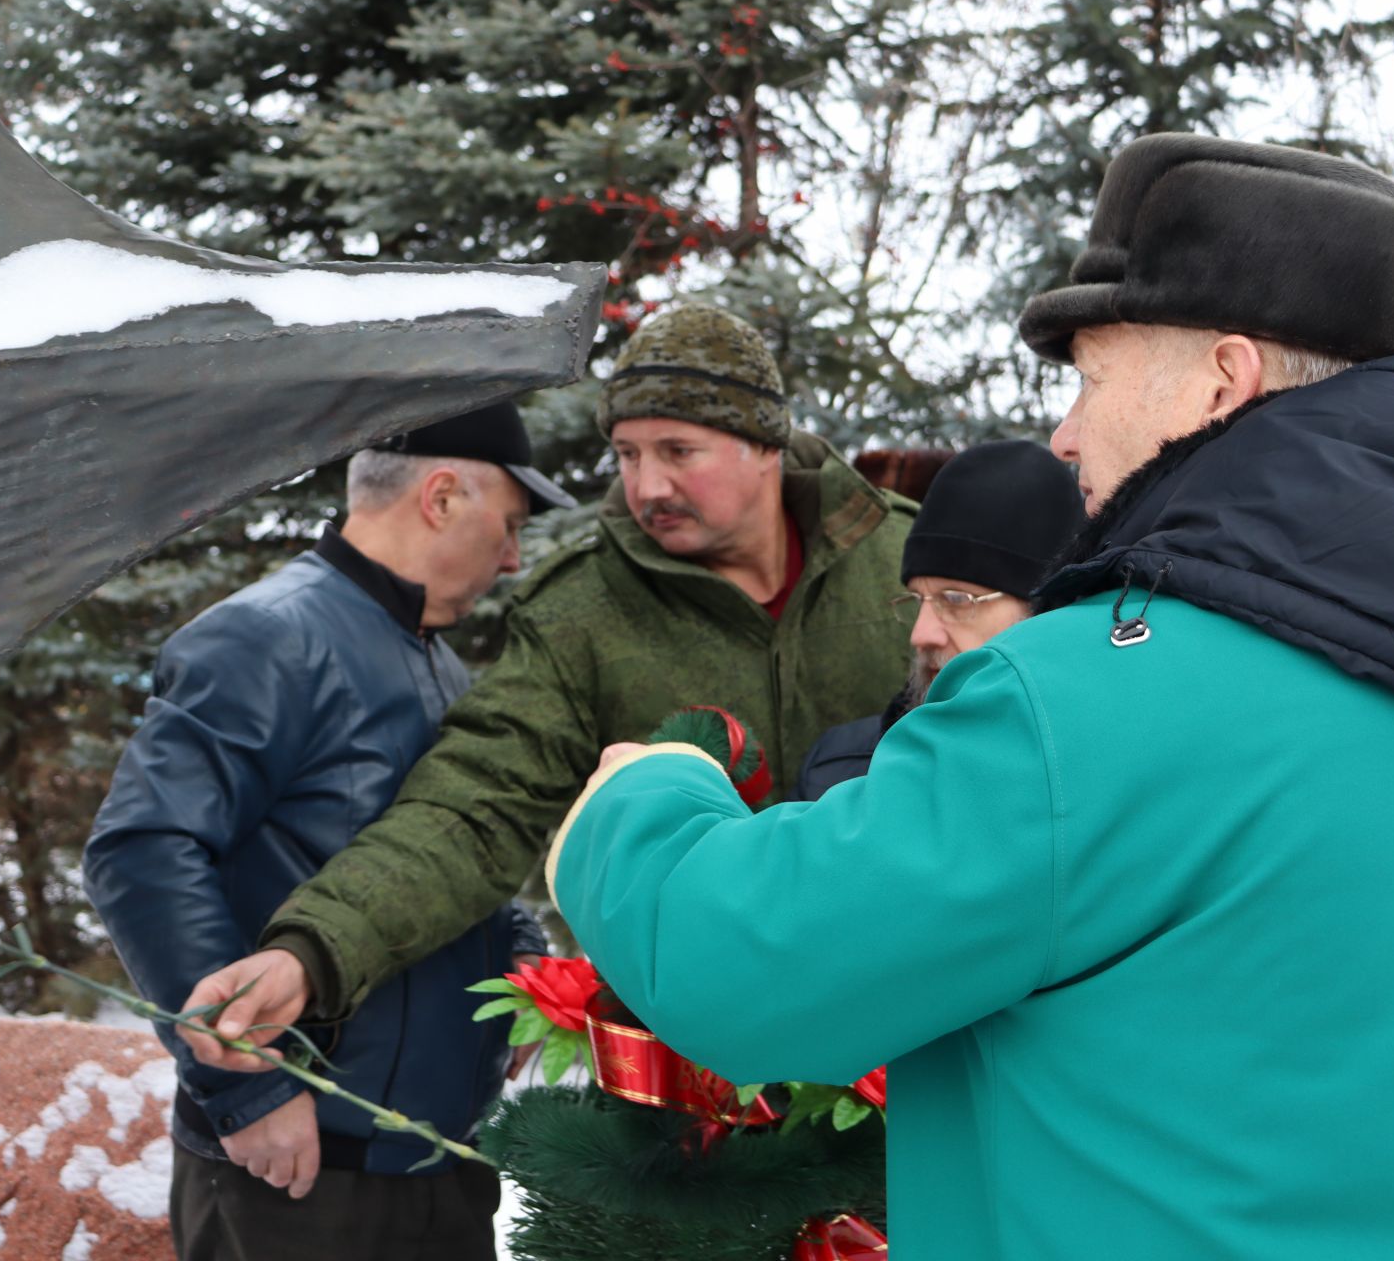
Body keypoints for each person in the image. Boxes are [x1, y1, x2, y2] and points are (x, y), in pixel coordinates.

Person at [540, 135, 1394, 1258]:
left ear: (1226, 379)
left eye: (1091, 379)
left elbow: (749, 964)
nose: (1066, 433)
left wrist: (644, 802)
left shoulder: (1080, 697)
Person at [177, 300, 918, 1038]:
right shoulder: (583, 610)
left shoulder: (911, 568)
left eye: (677, 451)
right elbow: (476, 806)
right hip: (681, 1058)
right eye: (628, 455)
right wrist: (312, 951)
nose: (648, 485)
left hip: (908, 1027)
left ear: (765, 444)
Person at [82, 401, 571, 1261]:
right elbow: (144, 852)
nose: (513, 556)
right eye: (510, 524)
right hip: (302, 1180)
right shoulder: (267, 636)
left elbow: (428, 861)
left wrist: (520, 956)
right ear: (444, 496)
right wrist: (245, 1095)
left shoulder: (440, 662)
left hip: (431, 1173)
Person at [795, 439, 1084, 798]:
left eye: (957, 600)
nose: (922, 634)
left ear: (1043, 614)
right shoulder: (836, 773)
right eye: (918, 600)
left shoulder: (1092, 790)